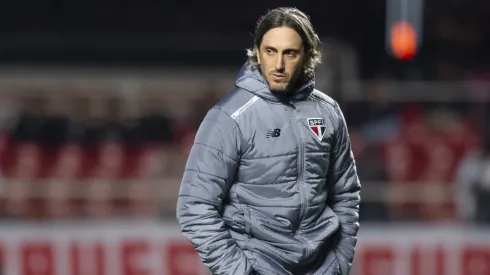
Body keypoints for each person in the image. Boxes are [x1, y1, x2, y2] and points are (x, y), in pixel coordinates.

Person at [176, 7, 361, 275]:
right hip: (257, 266)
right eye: (270, 51)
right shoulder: (229, 116)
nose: (278, 64)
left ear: (308, 55)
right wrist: (240, 271)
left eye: (290, 53)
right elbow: (194, 206)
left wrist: (339, 263)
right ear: (257, 53)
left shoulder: (328, 112)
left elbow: (346, 193)